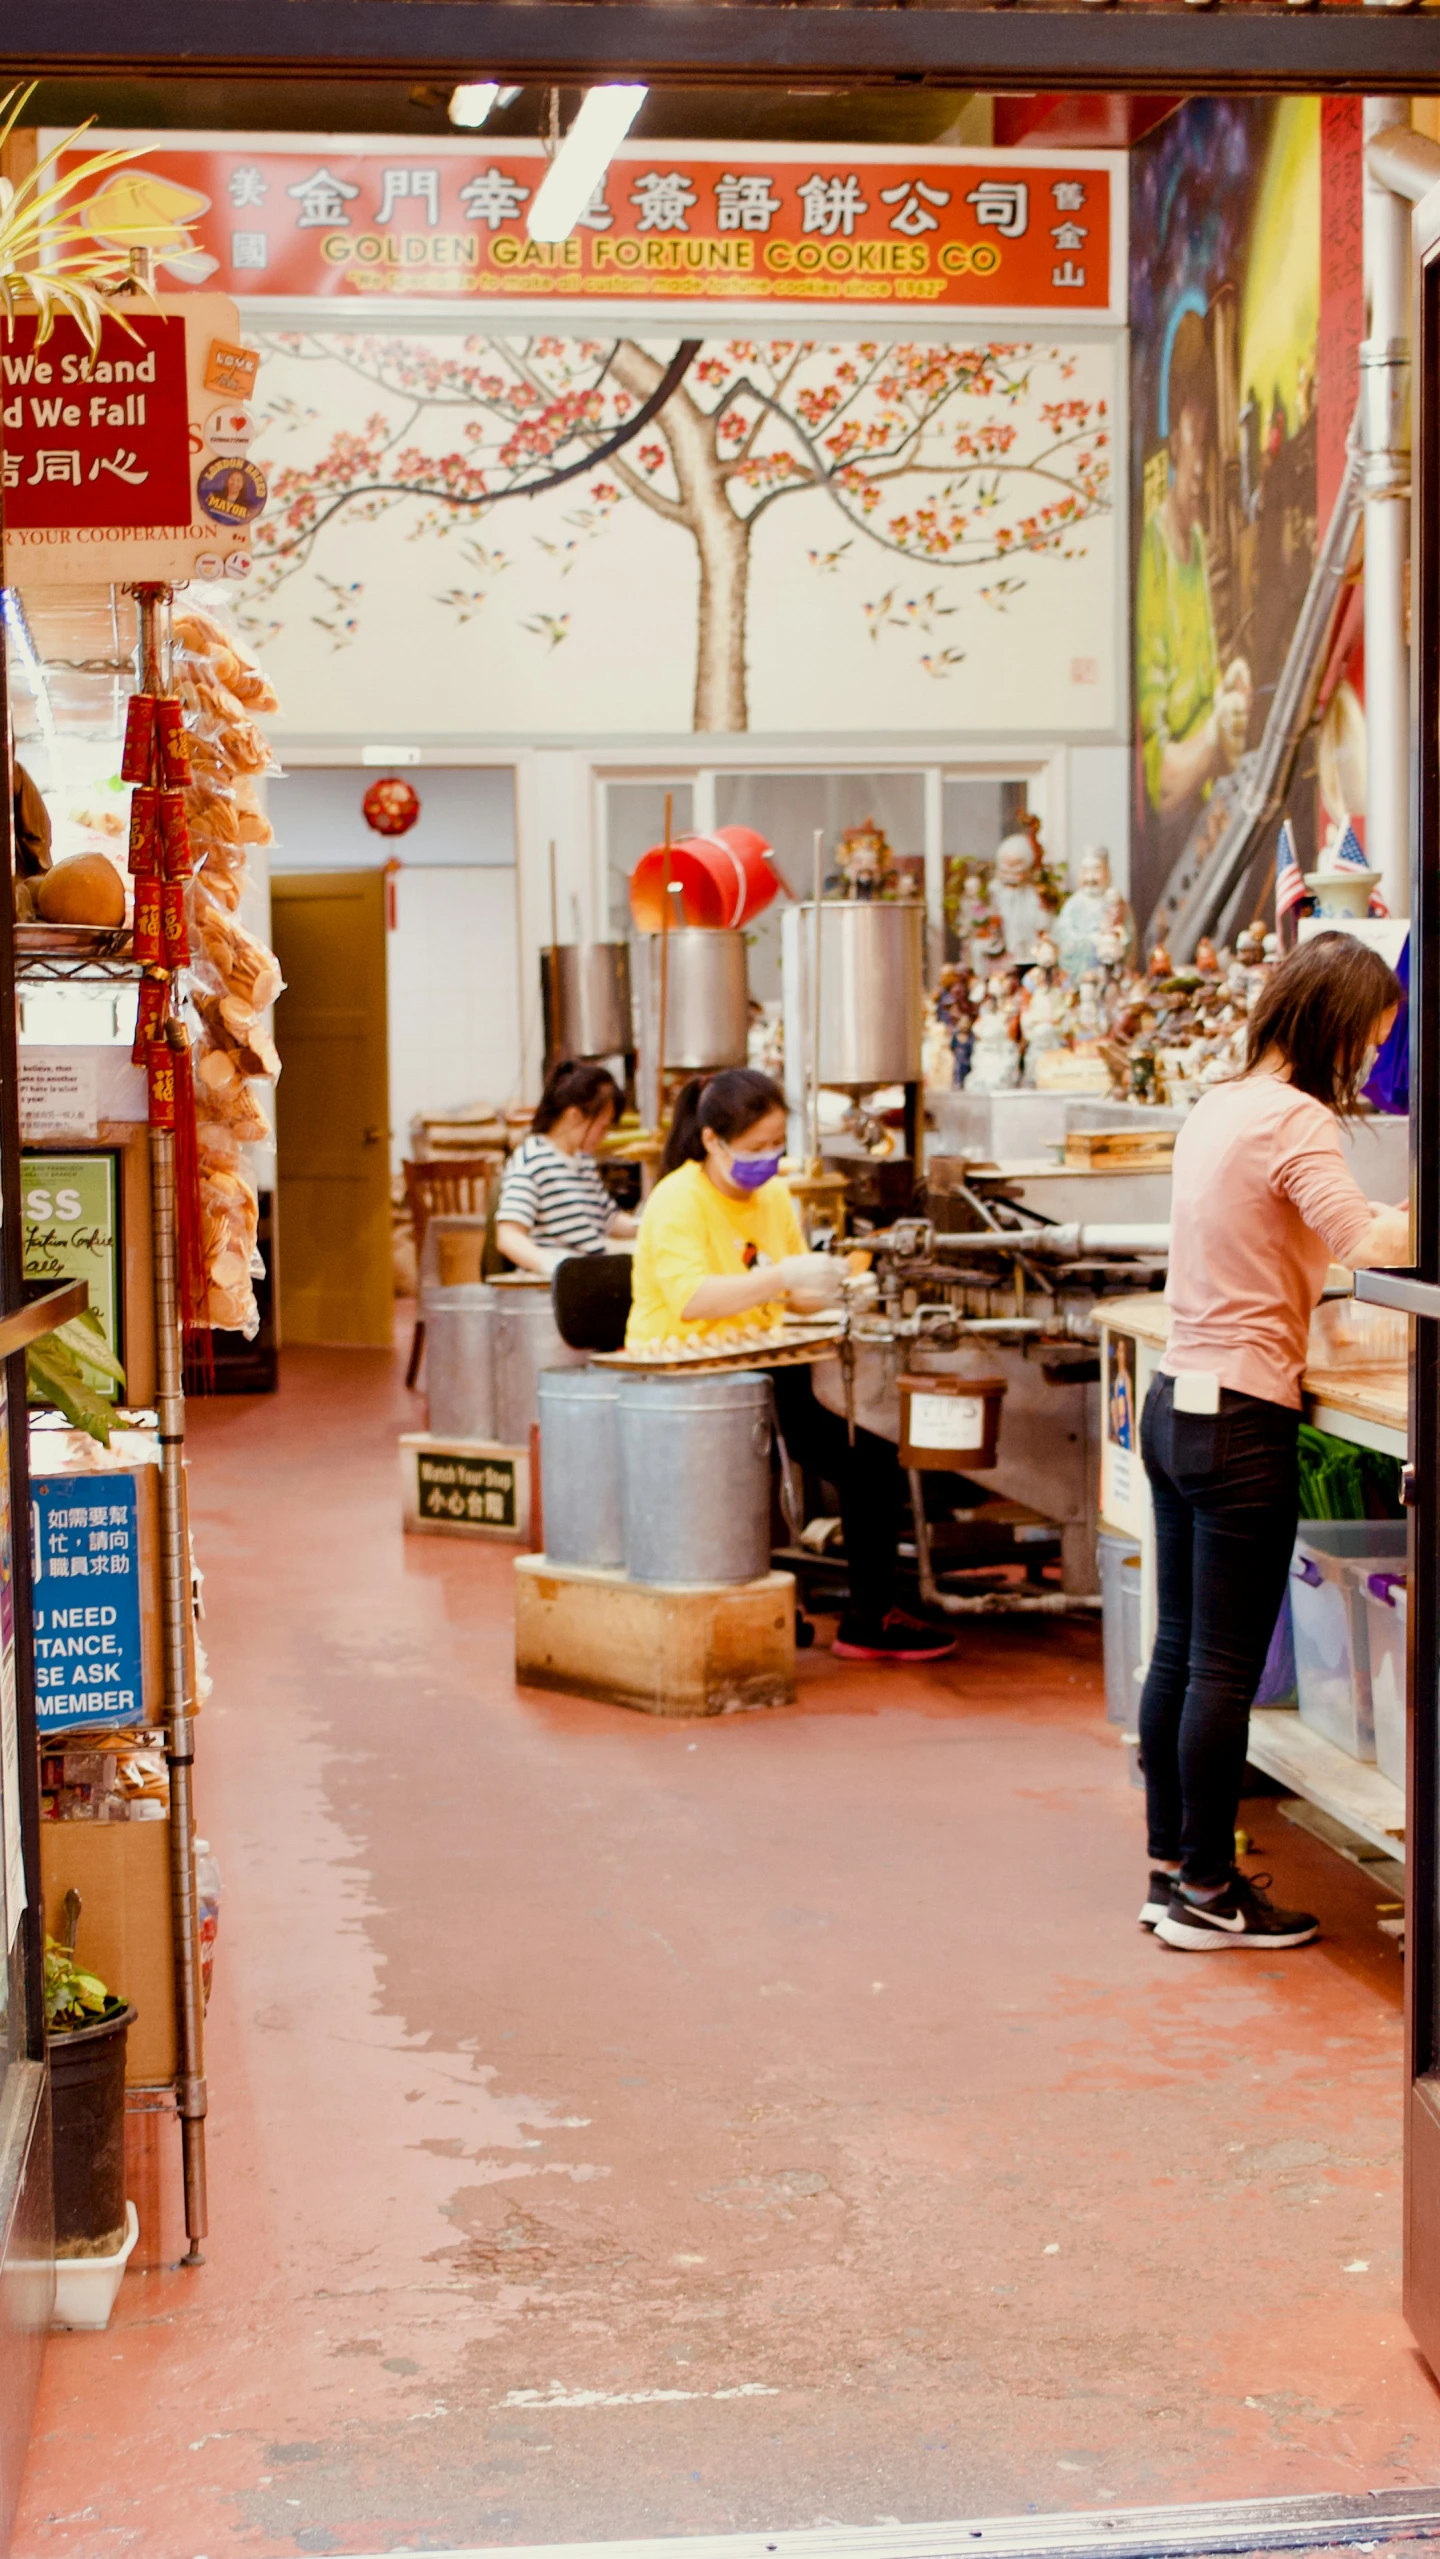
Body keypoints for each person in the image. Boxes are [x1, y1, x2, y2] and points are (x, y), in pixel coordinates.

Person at [1139, 934, 1406, 1953]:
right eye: (1374, 1040)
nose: (1374, 1064)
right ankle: (1211, 1889)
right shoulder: (1296, 1118)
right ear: (1336, 1023)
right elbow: (1370, 1243)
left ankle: (1172, 1871)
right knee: (1222, 1667)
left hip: (1178, 1402)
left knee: (1179, 1649)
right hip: (1242, 1417)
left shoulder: (1222, 1102)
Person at [627, 1068, 957, 1665]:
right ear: (711, 1142)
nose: (768, 1162)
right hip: (688, 1378)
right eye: (754, 1150)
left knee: (869, 1453)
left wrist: (834, 1286)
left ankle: (869, 1615)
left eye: (776, 1146)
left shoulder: (773, 1195)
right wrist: (780, 1279)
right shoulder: (678, 1199)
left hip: (765, 1365)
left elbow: (789, 1284)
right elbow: (692, 1299)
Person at [1136, 311, 1252, 863]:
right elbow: (1163, 782)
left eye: (1210, 435)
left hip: (1213, 823)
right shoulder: (1153, 553)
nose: (1204, 463)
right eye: (1193, 433)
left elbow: (1204, 691)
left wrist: (1227, 690)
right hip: (1175, 839)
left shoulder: (1201, 543)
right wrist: (1213, 734)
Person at [495, 1059, 636, 1277]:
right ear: (574, 1116)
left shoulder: (583, 1162)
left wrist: (652, 1225)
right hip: (555, 1287)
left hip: (589, 1276)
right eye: (602, 1126)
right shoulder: (532, 1159)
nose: (604, 1136)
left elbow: (608, 1219)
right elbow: (508, 1237)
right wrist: (555, 1266)